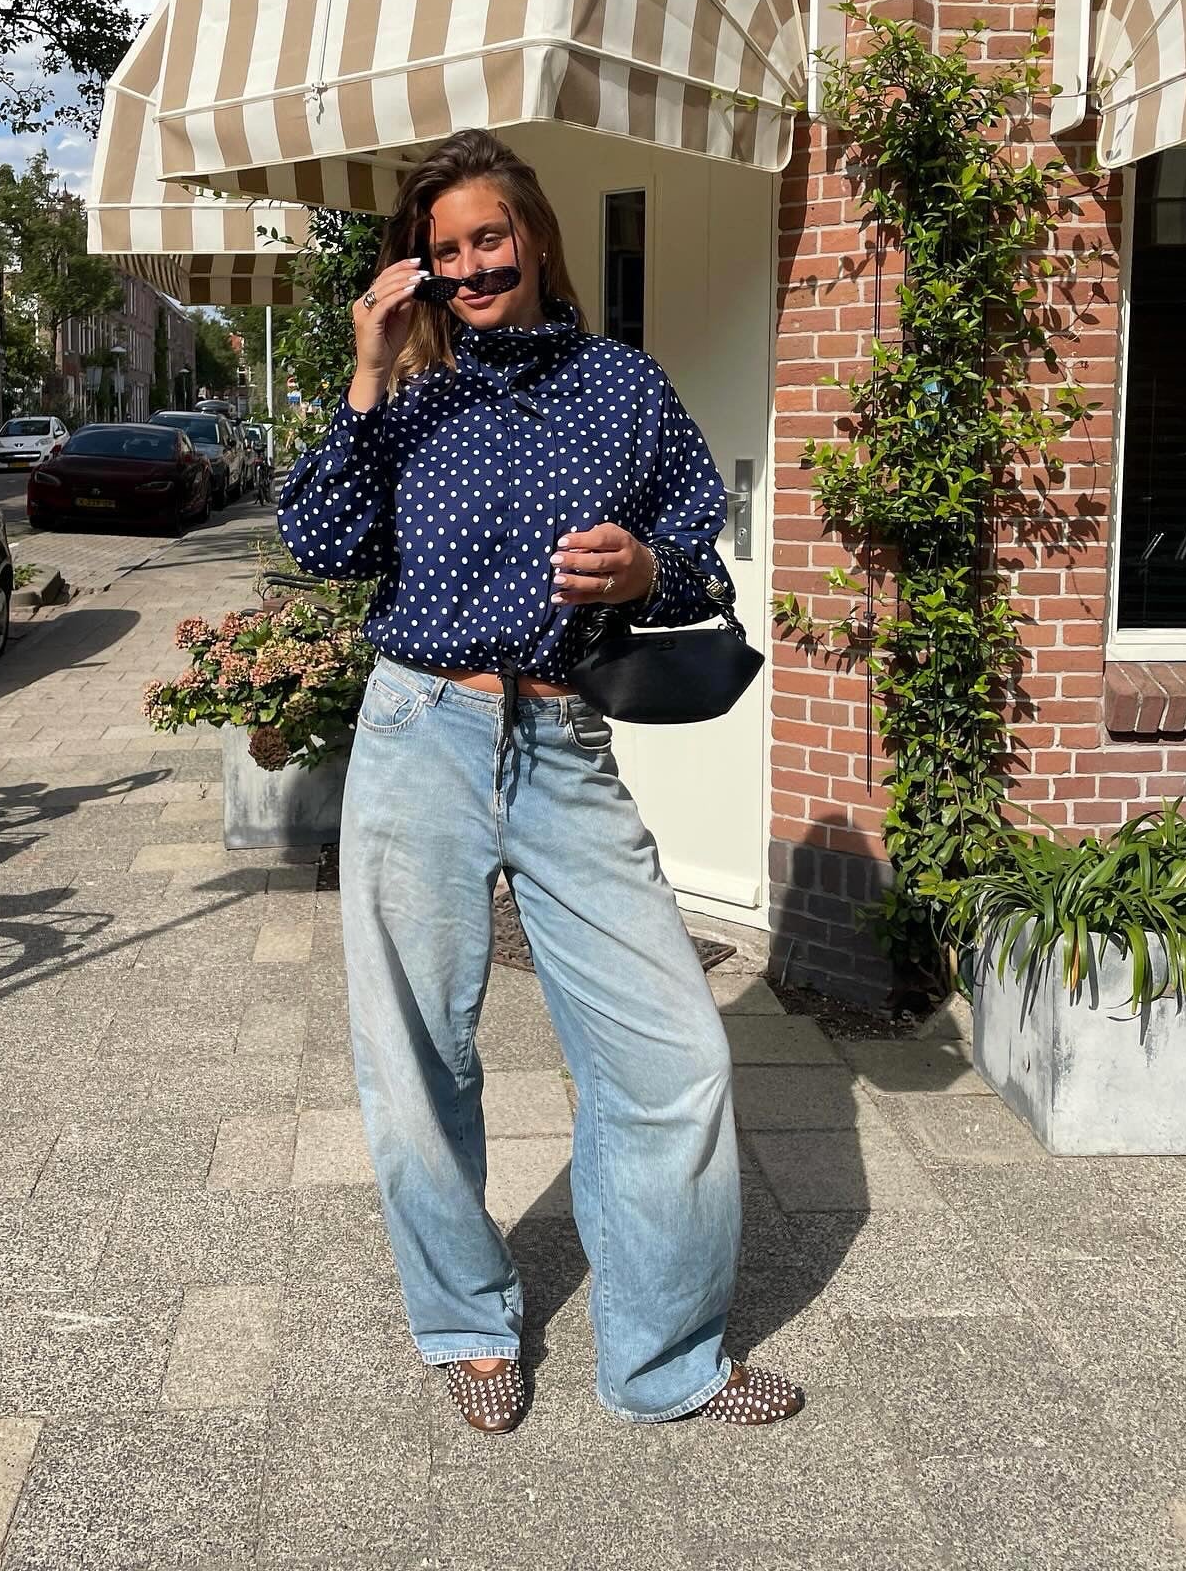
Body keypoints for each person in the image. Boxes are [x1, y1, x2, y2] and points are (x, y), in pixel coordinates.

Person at [278, 129, 804, 1435]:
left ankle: (663, 1359)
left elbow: (701, 546)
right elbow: (320, 539)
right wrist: (362, 373)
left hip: (569, 749)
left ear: (536, 238)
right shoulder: (406, 383)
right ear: (419, 265)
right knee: (413, 1060)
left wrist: (646, 573)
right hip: (419, 736)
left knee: (674, 1054)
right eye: (443, 248)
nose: (470, 265)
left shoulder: (622, 387)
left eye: (488, 239)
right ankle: (467, 1326)